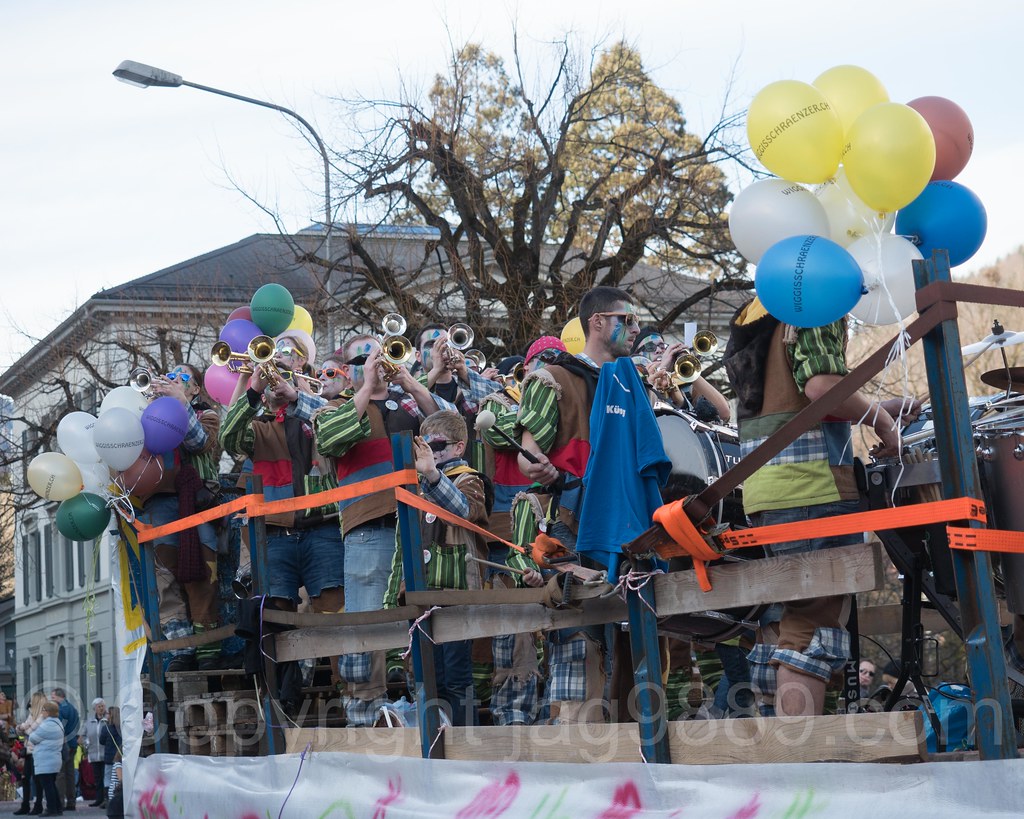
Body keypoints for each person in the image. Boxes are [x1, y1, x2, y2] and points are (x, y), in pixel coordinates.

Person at [723, 297, 920, 716]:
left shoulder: (760, 313)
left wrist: (874, 411)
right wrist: (881, 422)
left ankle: (780, 757)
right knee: (811, 624)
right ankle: (800, 758)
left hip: (767, 491)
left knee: (781, 622)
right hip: (813, 489)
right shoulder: (815, 302)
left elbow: (798, 403)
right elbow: (820, 388)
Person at [507, 286, 640, 724]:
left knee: (625, 645)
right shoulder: (554, 378)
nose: (636, 329)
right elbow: (529, 452)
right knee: (577, 646)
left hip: (624, 532)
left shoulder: (628, 383)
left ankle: (620, 753)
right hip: (568, 525)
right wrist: (539, 466)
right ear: (597, 322)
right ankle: (573, 753)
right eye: (628, 319)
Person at [313, 334, 455, 726]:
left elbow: (450, 426)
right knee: (366, 618)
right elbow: (331, 439)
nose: (375, 361)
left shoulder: (407, 402)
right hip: (367, 525)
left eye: (378, 354)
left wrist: (410, 382)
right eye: (364, 357)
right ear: (350, 369)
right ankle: (363, 713)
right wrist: (368, 387)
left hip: (415, 526)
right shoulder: (335, 407)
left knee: (417, 615)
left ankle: (414, 708)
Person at [219, 331, 344, 713]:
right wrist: (254, 390)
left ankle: (342, 689)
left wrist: (297, 398)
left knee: (334, 606)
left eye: (292, 356)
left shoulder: (319, 403)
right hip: (274, 532)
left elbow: (336, 427)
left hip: (321, 525)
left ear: (303, 366)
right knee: (275, 616)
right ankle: (279, 701)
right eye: (278, 355)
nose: (283, 363)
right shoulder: (257, 423)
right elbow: (227, 438)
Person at [382, 410, 491, 725]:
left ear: (458, 447)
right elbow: (402, 549)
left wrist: (432, 475)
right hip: (422, 598)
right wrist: (395, 598)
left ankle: (466, 742)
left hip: (456, 595)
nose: (429, 453)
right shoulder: (414, 489)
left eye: (437, 445)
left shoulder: (470, 479)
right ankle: (434, 742)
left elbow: (462, 510)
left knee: (457, 677)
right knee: (428, 677)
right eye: (423, 447)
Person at [134, 363, 223, 672]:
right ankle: (181, 647)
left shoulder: (206, 415)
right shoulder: (149, 413)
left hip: (198, 503)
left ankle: (208, 648)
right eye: (168, 377)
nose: (171, 380)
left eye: (180, 378)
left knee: (203, 571)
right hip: (160, 501)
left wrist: (179, 405)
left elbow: (200, 444)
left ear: (195, 389)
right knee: (165, 575)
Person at [631, 326, 731, 421]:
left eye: (662, 346)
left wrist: (688, 365)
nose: (658, 350)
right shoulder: (631, 382)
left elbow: (723, 413)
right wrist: (661, 369)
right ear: (636, 356)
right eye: (649, 347)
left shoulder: (682, 383)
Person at [14, 692, 47, 816]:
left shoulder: (42, 715)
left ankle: (38, 804)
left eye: (32, 700)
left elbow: (30, 730)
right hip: (29, 750)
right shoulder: (31, 714)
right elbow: (20, 730)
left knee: (37, 780)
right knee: (26, 778)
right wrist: (21, 728)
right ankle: (25, 805)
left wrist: (23, 728)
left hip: (37, 751)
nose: (30, 702)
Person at [28, 702, 63, 817]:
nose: (41, 712)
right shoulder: (58, 723)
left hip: (45, 760)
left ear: (48, 712)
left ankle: (51, 809)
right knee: (51, 785)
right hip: (53, 759)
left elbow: (33, 738)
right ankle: (58, 808)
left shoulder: (47, 725)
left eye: (43, 710)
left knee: (48, 786)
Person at [49, 689, 79, 812]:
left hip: (63, 744)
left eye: (53, 697)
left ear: (59, 697)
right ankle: (71, 802)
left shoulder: (60, 709)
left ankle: (60, 802)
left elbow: (58, 728)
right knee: (70, 774)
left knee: (60, 774)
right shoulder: (73, 708)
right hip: (72, 743)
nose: (52, 700)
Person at [83, 699, 106, 808]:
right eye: (99, 706)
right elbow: (84, 735)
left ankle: (106, 799)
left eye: (102, 706)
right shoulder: (89, 721)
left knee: (106, 777)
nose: (101, 708)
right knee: (97, 778)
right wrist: (86, 744)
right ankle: (99, 799)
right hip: (93, 754)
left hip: (105, 754)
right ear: (94, 709)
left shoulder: (107, 720)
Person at [98, 707, 120, 800]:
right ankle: (118, 796)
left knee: (108, 778)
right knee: (118, 777)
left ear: (110, 715)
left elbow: (101, 741)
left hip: (109, 757)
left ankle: (108, 798)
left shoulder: (105, 728)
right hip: (119, 756)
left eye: (107, 713)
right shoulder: (121, 728)